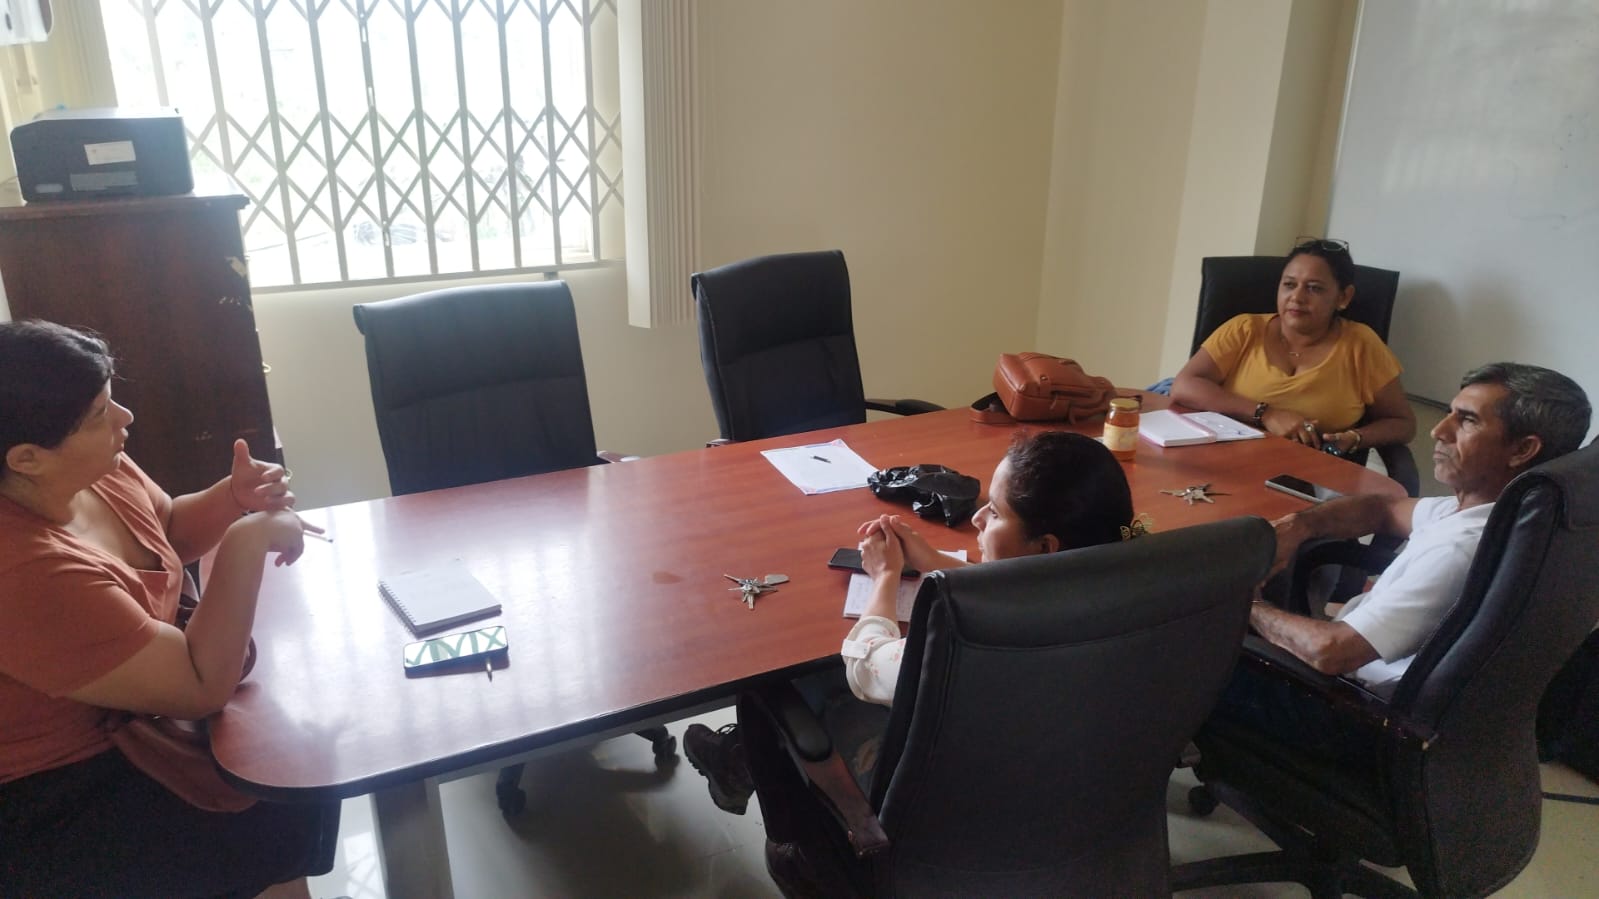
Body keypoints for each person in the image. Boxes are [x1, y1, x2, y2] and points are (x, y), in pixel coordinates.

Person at [0, 321, 337, 898]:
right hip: (58, 784)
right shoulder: (22, 570)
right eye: (100, 413)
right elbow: (199, 685)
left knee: (288, 760)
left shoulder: (94, 470)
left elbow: (168, 532)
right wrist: (246, 540)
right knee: (270, 808)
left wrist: (233, 499)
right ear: (28, 458)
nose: (124, 417)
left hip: (141, 719)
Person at [682, 431, 1136, 814]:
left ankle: (743, 763)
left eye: (996, 512)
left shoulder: (974, 639)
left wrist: (885, 576)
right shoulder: (1132, 595)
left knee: (808, 674)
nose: (977, 516)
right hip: (1069, 789)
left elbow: (867, 666)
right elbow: (1018, 584)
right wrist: (935, 560)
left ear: (1046, 547)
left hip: (953, 803)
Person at [1219, 362, 1591, 763]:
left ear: (1522, 450)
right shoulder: (1494, 514)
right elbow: (1384, 510)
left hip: (1351, 715)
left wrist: (1246, 602)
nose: (1439, 430)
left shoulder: (1461, 550)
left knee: (1192, 648)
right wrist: (1301, 525)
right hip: (1373, 694)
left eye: (1466, 421)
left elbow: (1331, 652)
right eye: (1449, 412)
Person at [1171, 238, 1417, 455]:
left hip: (1308, 473)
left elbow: (1402, 423)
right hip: (1223, 458)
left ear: (1343, 297)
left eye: (1314, 288)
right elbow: (1184, 385)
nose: (1297, 298)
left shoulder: (1361, 345)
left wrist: (1356, 438)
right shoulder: (1245, 329)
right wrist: (1266, 414)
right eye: (1289, 285)